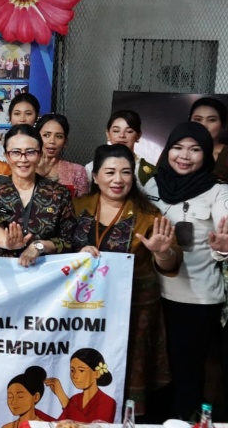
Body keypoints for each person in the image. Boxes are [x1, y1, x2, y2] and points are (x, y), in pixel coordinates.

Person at [72, 144, 180, 417]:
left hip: (133, 311)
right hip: (81, 310)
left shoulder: (149, 215)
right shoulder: (76, 207)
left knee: (126, 373)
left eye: (126, 172)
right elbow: (59, 248)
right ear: (95, 176)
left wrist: (162, 252)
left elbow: (171, 265)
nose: (118, 179)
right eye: (110, 172)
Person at [143, 122, 228, 420]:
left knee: (186, 372)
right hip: (151, 295)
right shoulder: (152, 185)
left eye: (195, 150)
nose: (184, 156)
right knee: (152, 369)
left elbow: (224, 232)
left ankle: (181, 422)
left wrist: (223, 247)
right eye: (178, 148)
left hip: (195, 300)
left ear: (206, 154)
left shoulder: (218, 192)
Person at [0, 124, 76, 265]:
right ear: (6, 156)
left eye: (30, 152)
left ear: (40, 155)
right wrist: (6, 242)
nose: (23, 159)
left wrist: (39, 246)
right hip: (1, 273)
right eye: (16, 152)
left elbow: (68, 241)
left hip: (45, 273)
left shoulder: (58, 194)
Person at [84, 110, 154, 186]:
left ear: (138, 136)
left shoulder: (149, 172)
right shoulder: (91, 168)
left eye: (129, 131)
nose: (122, 135)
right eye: (116, 131)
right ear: (108, 134)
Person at [45, 348, 117, 423]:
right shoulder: (75, 399)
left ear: (96, 373)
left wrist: (62, 396)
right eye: (72, 370)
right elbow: (59, 424)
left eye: (81, 370)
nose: (75, 376)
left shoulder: (108, 402)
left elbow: (88, 426)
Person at [34, 113, 90, 197]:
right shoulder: (25, 166)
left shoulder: (77, 171)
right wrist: (36, 175)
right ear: (36, 138)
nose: (52, 141)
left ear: (65, 142)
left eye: (59, 136)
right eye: (46, 135)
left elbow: (83, 203)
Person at [188, 97, 227, 180]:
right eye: (198, 119)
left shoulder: (225, 154)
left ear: (223, 124)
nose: (204, 125)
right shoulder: (174, 150)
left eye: (212, 120)